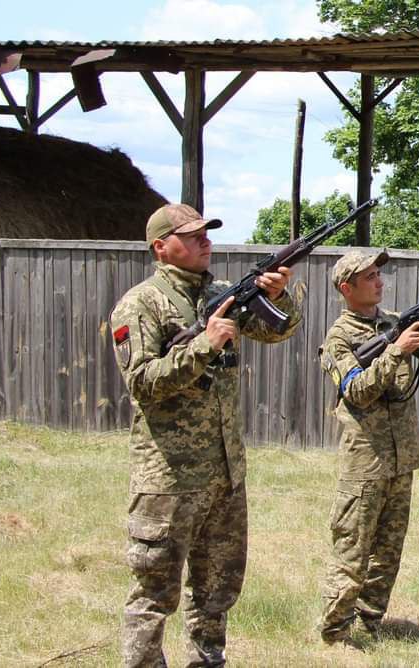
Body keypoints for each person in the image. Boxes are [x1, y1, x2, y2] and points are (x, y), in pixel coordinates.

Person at [110, 202, 300, 666]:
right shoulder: (141, 304)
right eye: (193, 236)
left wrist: (279, 297)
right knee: (154, 593)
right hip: (169, 480)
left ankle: (207, 660)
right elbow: (142, 383)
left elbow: (279, 332)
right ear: (162, 246)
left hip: (224, 474)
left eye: (207, 234)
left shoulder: (221, 294)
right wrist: (204, 344)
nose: (206, 242)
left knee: (217, 591)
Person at [317, 249, 419, 645]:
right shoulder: (339, 337)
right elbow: (355, 391)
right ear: (347, 288)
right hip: (366, 460)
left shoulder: (393, 321)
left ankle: (368, 623)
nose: (379, 281)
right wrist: (394, 351)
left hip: (401, 457)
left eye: (378, 275)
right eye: (369, 277)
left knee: (388, 552)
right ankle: (334, 633)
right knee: (353, 550)